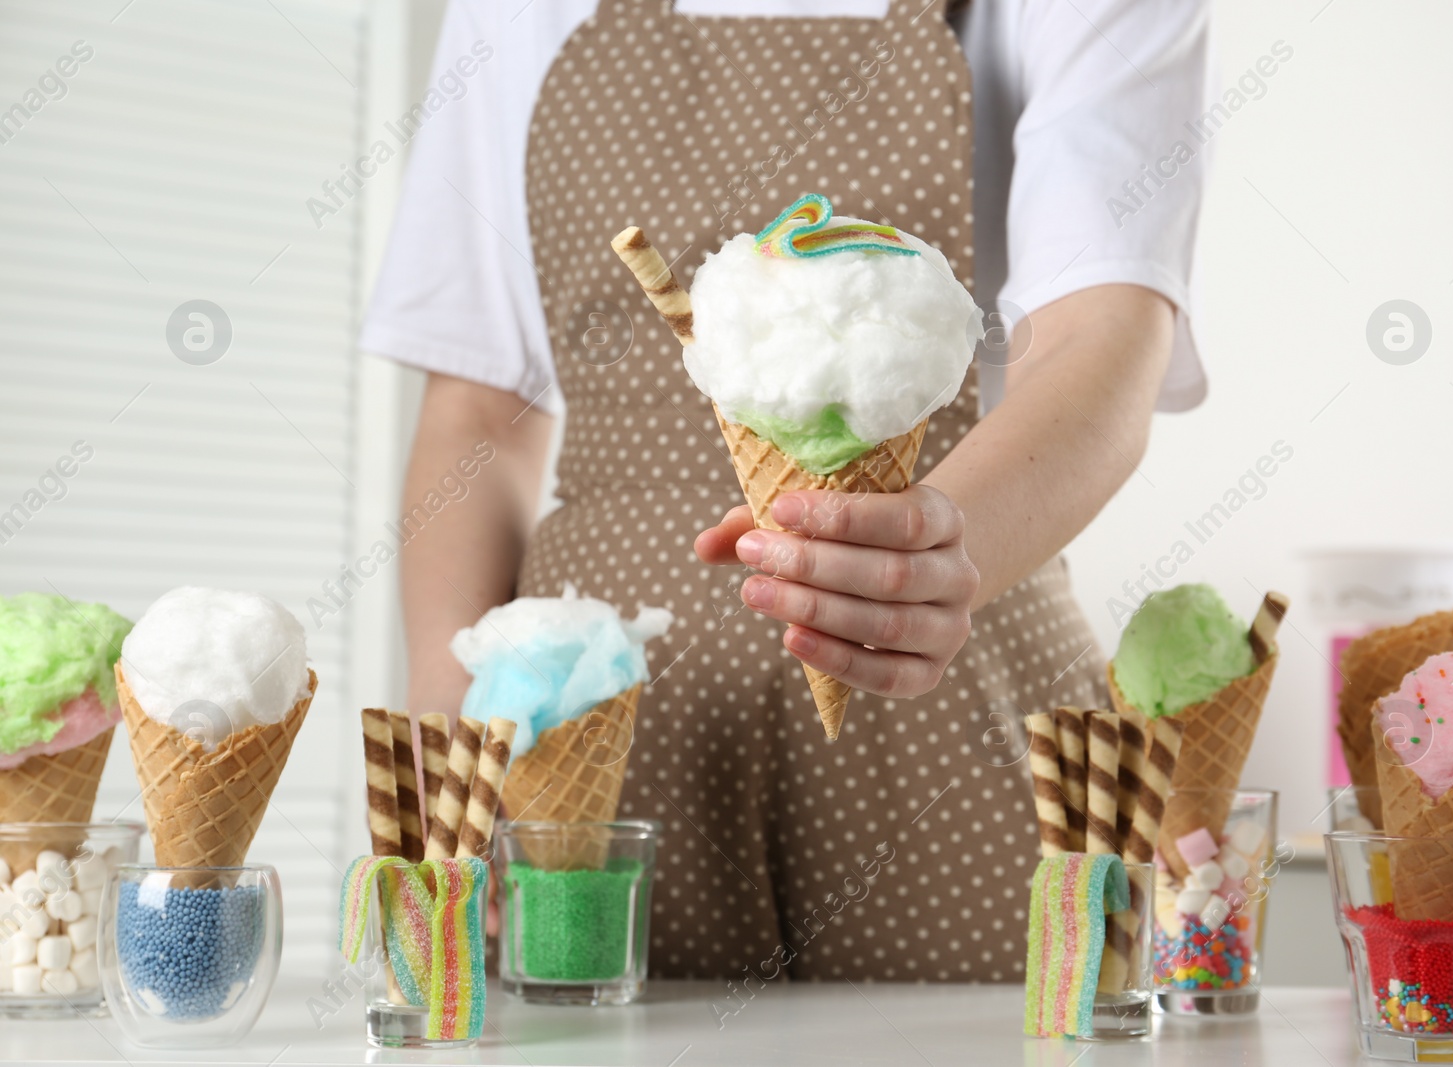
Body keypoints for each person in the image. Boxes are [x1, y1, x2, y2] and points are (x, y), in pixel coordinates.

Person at [361, 0, 1209, 982]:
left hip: (957, 681)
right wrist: (445, 711)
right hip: (592, 714)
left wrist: (930, 552)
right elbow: (476, 406)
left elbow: (1102, 334)